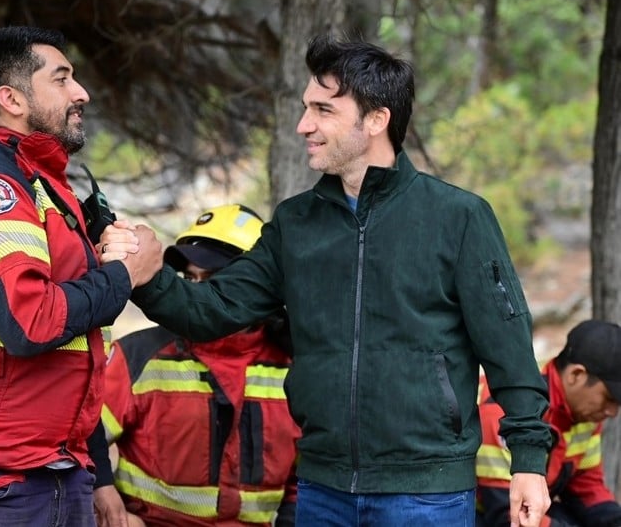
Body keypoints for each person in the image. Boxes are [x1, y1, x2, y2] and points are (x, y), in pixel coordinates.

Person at [99, 36, 554, 527]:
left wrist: (528, 463)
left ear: (376, 119)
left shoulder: (458, 217)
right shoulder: (297, 223)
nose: (304, 125)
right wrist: (146, 279)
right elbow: (212, 311)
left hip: (426, 493)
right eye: (305, 108)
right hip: (323, 491)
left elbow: (507, 348)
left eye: (323, 110)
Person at [0, 26, 162, 527]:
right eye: (62, 78)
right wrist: (125, 274)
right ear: (12, 99)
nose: (81, 92)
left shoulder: (42, 185)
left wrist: (99, 477)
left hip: (51, 469)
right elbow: (31, 323)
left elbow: (74, 354)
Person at [95, 204, 301, 527]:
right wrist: (102, 489)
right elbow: (79, 433)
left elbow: (299, 486)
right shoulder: (138, 355)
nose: (196, 290)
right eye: (189, 277)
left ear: (257, 286)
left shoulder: (293, 368)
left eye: (213, 279)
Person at [477, 319, 621, 527]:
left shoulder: (585, 415)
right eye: (609, 398)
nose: (613, 411)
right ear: (576, 375)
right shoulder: (503, 408)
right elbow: (508, 513)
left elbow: (587, 489)